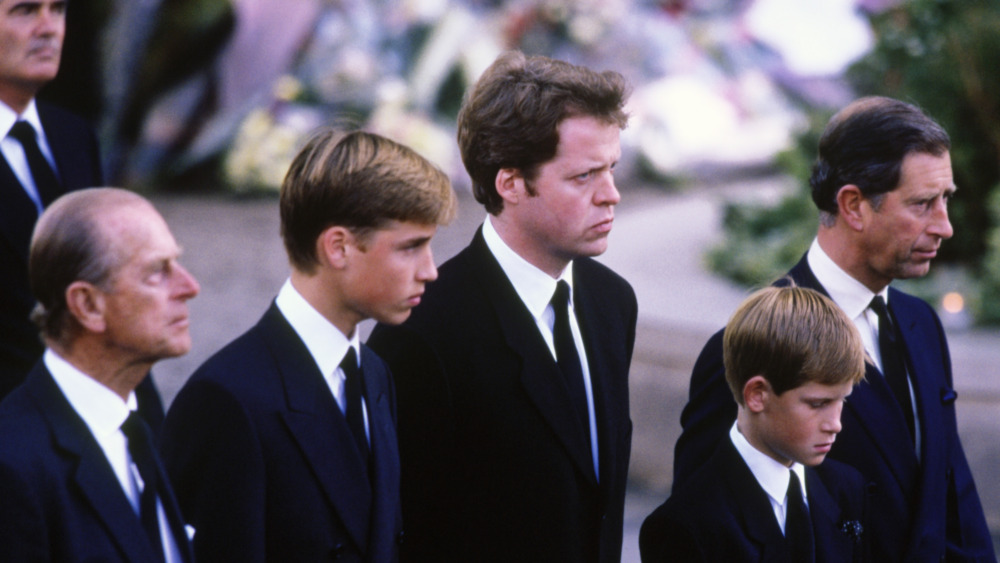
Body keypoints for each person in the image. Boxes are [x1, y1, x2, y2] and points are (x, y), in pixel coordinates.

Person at [673, 96, 995, 562]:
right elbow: (703, 531)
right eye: (923, 204)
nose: (944, 226)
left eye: (946, 199)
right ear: (853, 205)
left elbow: (950, 497)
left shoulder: (921, 324)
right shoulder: (750, 344)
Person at [366, 51, 636, 562]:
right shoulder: (421, 331)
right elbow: (405, 532)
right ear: (509, 183)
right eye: (584, 177)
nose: (612, 195)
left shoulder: (612, 303)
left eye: (612, 169)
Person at [161, 129, 457, 562]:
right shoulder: (226, 401)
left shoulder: (374, 374)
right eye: (411, 248)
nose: (430, 271)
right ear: (337, 247)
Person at [0, 188, 199, 562]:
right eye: (158, 272)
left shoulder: (132, 429)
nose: (189, 287)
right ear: (88, 305)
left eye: (178, 263)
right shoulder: (13, 469)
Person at [0, 0, 166, 430]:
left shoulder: (73, 137)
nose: (49, 28)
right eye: (24, 11)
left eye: (57, 10)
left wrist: (147, 421)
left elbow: (107, 288)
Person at [640, 285, 869, 563]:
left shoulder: (846, 487)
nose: (836, 424)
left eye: (842, 401)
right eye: (817, 404)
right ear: (757, 395)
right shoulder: (686, 524)